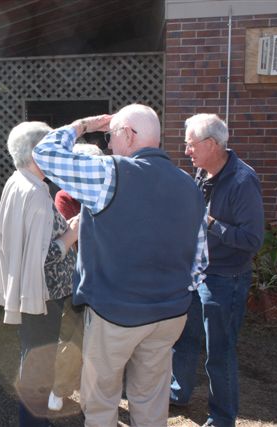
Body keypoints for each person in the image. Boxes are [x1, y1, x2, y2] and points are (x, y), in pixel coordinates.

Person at [32, 104, 208, 426]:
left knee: (100, 401)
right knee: (151, 399)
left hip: (114, 314)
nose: (109, 144)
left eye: (111, 136)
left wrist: (83, 125)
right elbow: (199, 260)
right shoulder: (189, 184)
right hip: (170, 314)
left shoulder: (110, 173)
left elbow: (44, 154)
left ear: (127, 134)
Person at [171, 114, 264, 427]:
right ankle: (178, 393)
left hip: (226, 280)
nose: (187, 151)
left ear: (211, 144)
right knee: (185, 339)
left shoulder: (242, 181)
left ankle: (222, 418)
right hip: (197, 274)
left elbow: (252, 240)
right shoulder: (202, 172)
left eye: (191, 144)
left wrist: (211, 224)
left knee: (219, 353)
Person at [0, 121, 78, 426]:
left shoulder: (18, 180)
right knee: (40, 360)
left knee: (34, 355)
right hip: (43, 293)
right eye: (52, 149)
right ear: (37, 152)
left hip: (32, 289)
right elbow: (43, 257)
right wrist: (71, 235)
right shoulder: (37, 192)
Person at [48, 143, 103, 413]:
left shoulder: (110, 192)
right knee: (75, 335)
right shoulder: (65, 196)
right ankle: (59, 388)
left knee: (102, 338)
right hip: (80, 277)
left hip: (108, 276)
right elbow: (76, 235)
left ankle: (94, 393)